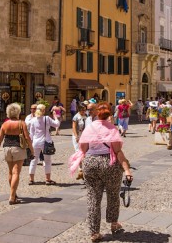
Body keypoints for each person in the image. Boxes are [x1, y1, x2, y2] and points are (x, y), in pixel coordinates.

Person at [68, 102, 133, 242]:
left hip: (91, 163)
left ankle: (94, 232)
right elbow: (118, 151)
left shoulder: (89, 128)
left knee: (93, 198)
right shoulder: (112, 129)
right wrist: (127, 170)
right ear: (110, 114)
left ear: (96, 114)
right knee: (113, 194)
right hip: (109, 164)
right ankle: (114, 224)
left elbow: (83, 149)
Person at [0, 103, 35, 204]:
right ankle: (12, 197)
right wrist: (32, 150)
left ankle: (14, 193)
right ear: (18, 112)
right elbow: (27, 138)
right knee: (16, 172)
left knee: (10, 172)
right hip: (18, 148)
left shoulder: (5, 124)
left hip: (7, 148)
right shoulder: (21, 123)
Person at [28, 104, 60, 185]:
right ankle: (47, 179)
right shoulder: (47, 118)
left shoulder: (33, 120)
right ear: (43, 110)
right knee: (47, 161)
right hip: (45, 142)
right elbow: (57, 124)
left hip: (35, 142)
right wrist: (55, 116)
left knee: (33, 160)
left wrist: (30, 143)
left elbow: (31, 134)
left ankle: (31, 179)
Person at [71, 104, 87, 180]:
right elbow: (74, 127)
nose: (83, 111)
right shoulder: (76, 117)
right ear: (79, 110)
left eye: (84, 110)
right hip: (78, 135)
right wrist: (76, 136)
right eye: (82, 110)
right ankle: (80, 169)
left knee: (85, 153)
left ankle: (83, 170)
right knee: (78, 152)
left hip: (85, 136)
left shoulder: (86, 116)